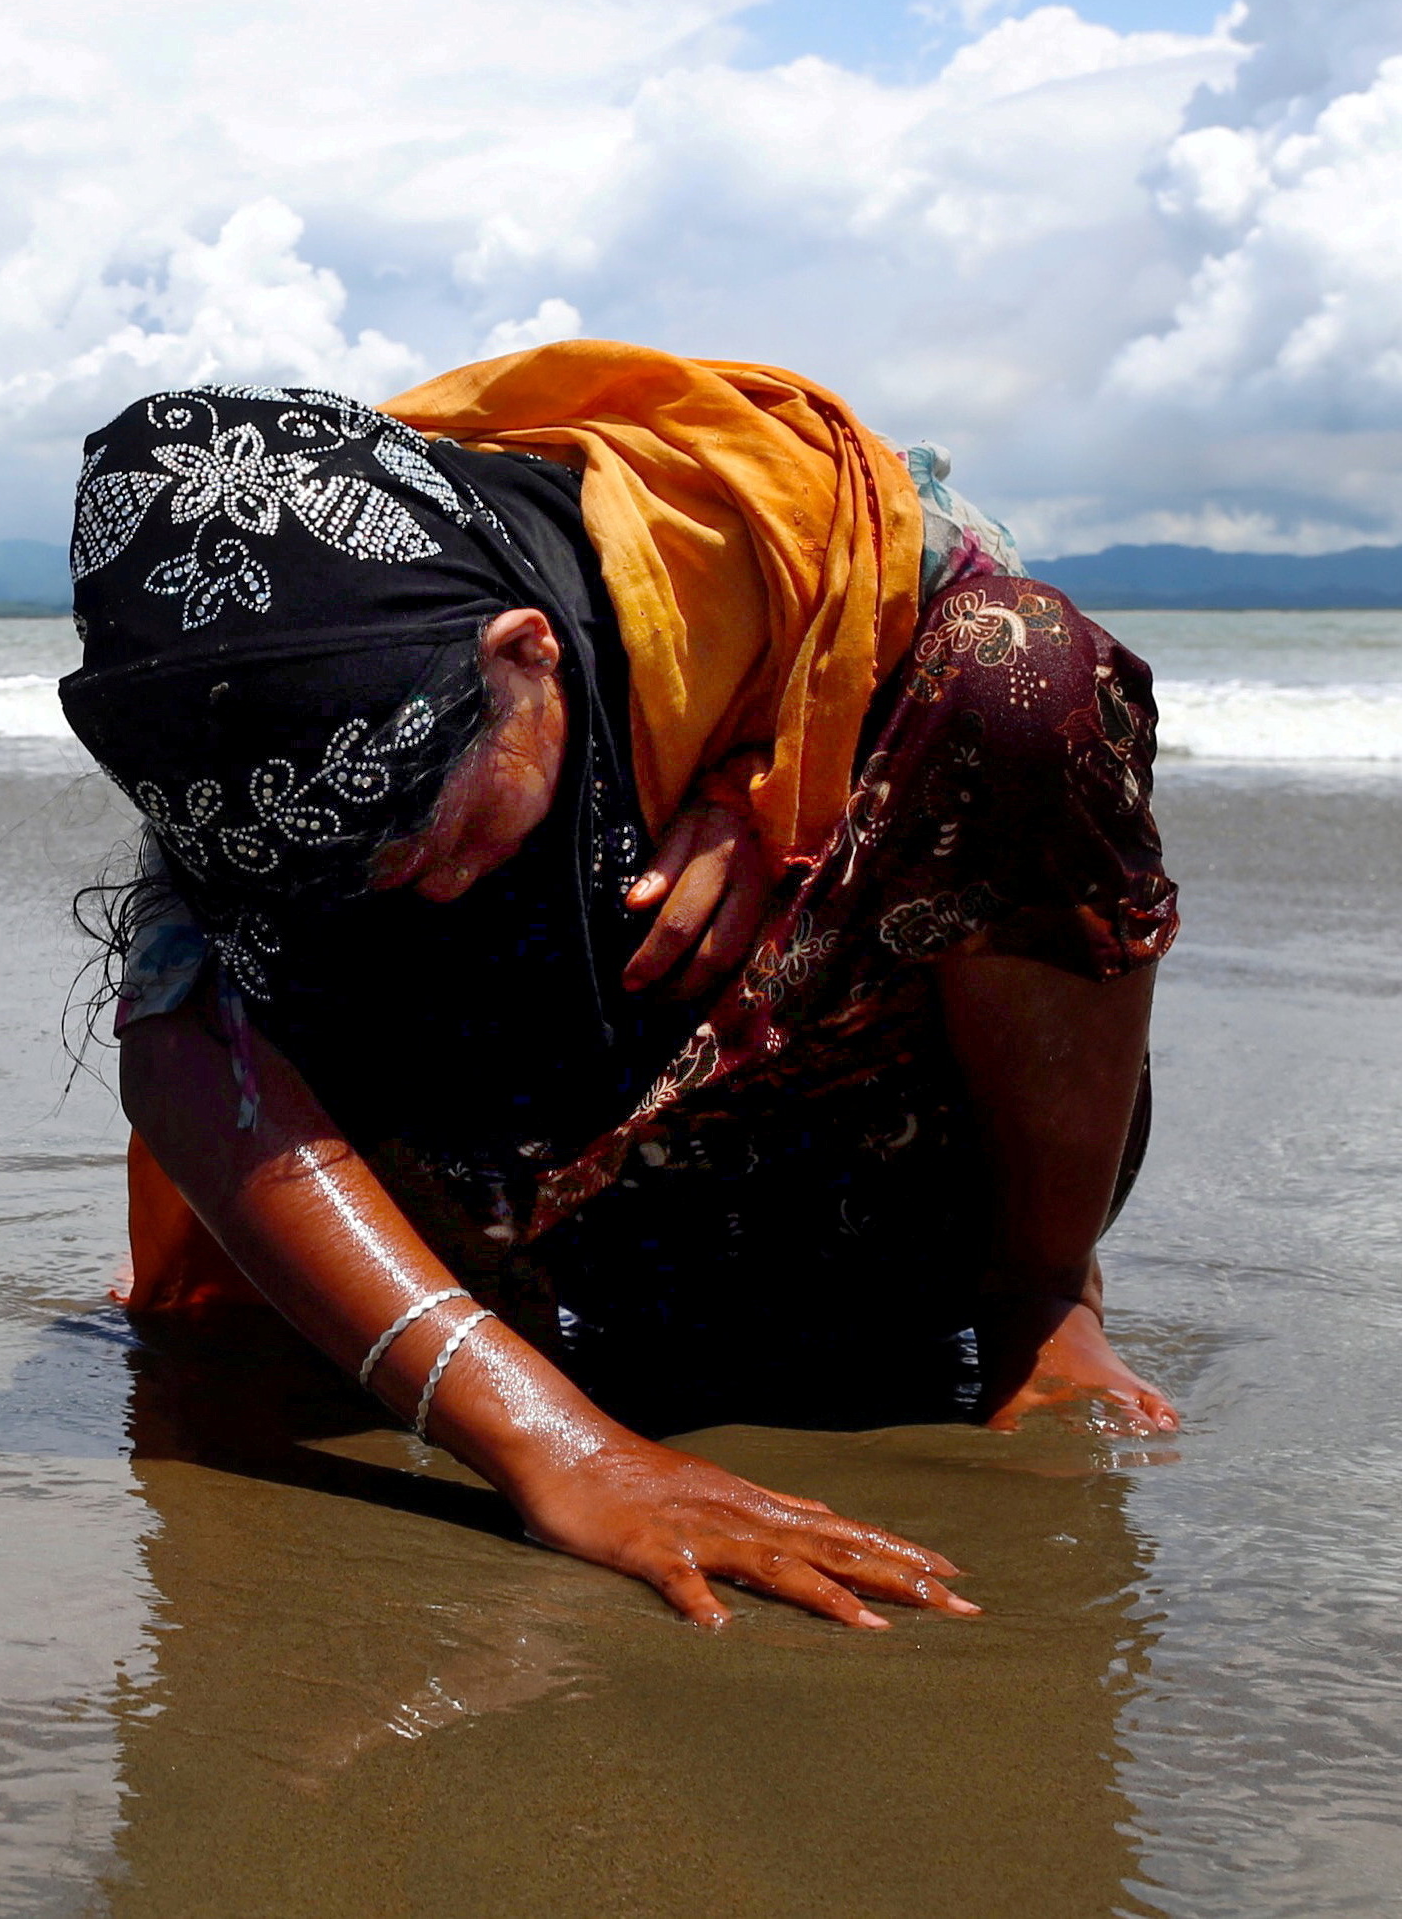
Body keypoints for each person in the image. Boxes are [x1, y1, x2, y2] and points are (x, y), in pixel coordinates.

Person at [63, 347, 1177, 1634]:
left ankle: (1040, 1302)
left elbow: (995, 711)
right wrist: (563, 1451)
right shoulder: (254, 710)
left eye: (421, 838)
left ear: (524, 653)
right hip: (526, 1230)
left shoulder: (794, 533)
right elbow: (185, 1048)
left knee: (1019, 668)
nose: (408, 894)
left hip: (861, 1164)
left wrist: (770, 781)